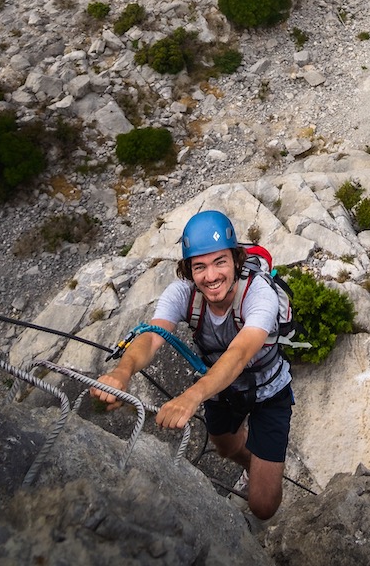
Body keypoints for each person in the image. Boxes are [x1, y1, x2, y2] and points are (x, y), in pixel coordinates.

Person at [92, 210, 293, 523]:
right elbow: (152, 336)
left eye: (219, 262)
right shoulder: (183, 294)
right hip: (221, 391)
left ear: (236, 261)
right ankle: (253, 466)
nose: (210, 276)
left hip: (268, 391)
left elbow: (239, 354)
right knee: (226, 448)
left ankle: (262, 476)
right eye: (199, 266)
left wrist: (192, 395)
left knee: (263, 506)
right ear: (188, 270)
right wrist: (122, 372)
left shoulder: (258, 294)